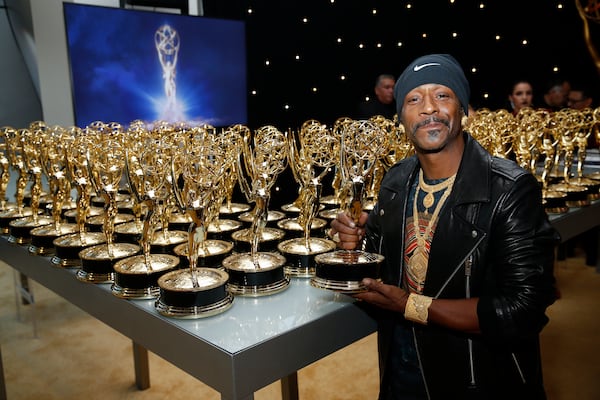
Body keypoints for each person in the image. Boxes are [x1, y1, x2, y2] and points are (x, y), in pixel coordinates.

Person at [330, 54, 558, 399]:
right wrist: (354, 245)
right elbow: (381, 271)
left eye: (442, 95)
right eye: (414, 99)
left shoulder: (509, 189)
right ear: (401, 118)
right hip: (401, 369)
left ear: (462, 109)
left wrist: (411, 305)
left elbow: (522, 309)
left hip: (475, 376)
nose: (428, 109)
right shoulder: (395, 181)